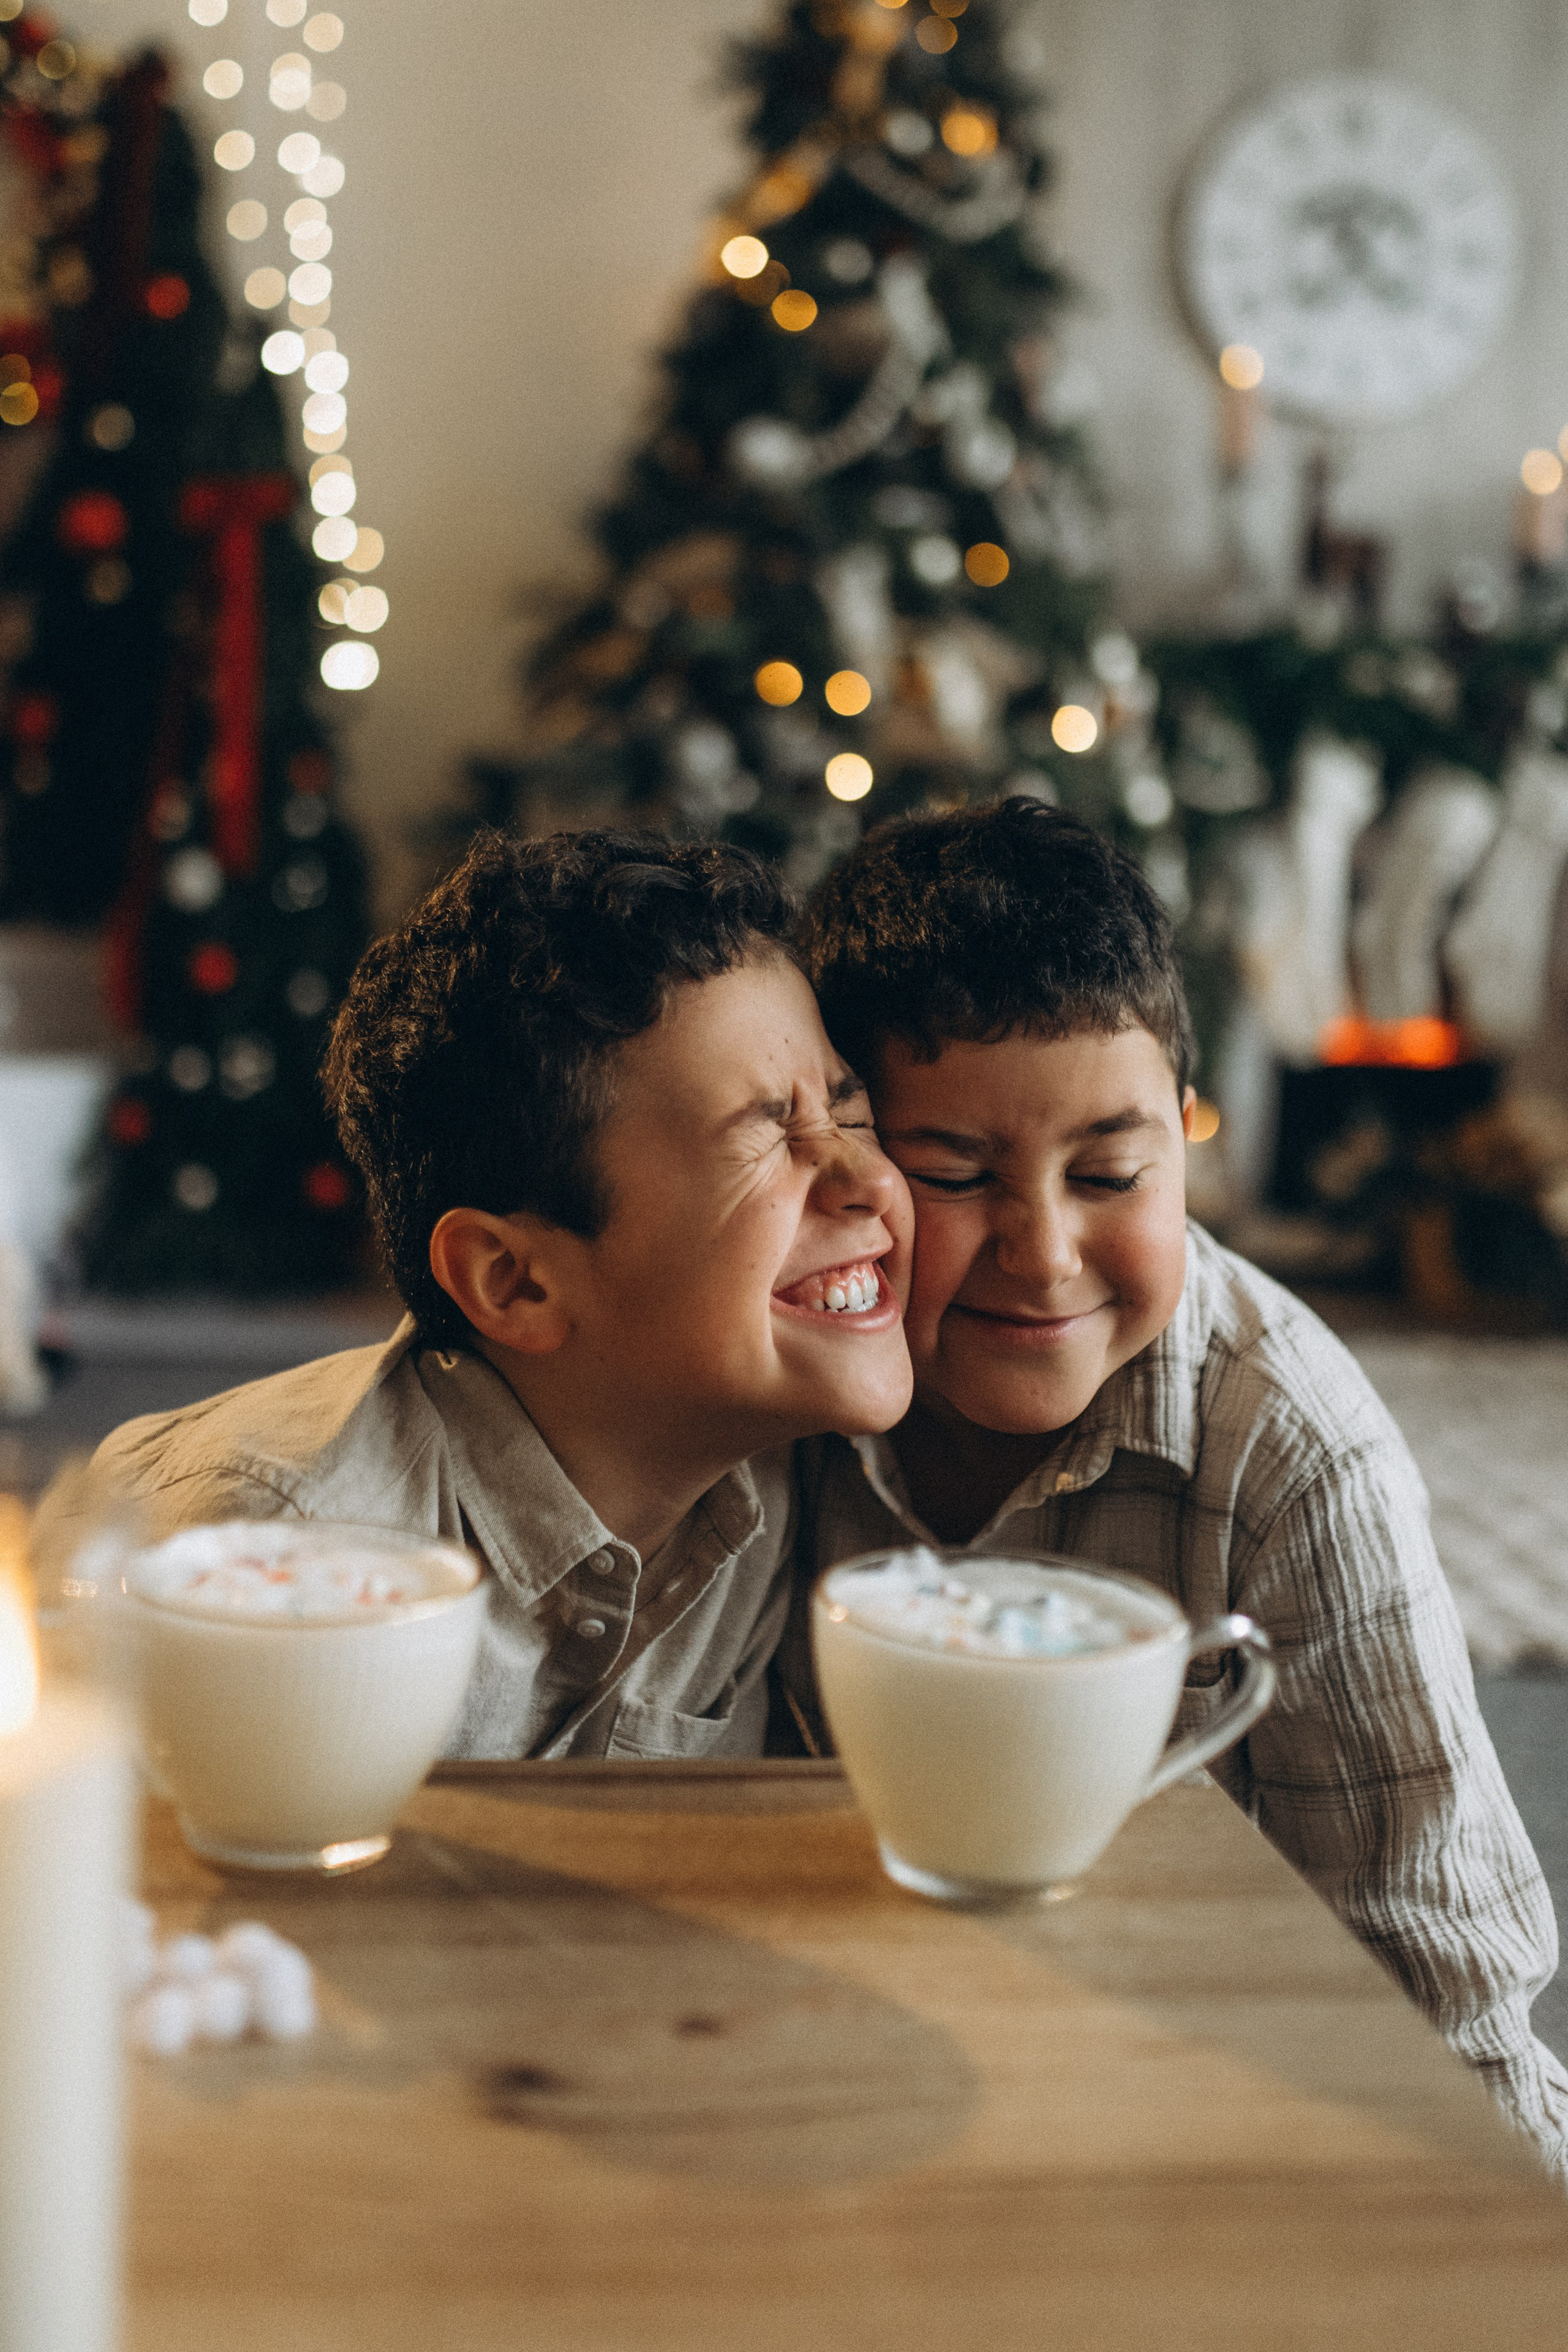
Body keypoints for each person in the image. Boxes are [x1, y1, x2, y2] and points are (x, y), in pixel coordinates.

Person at [793, 794, 1568, 2184]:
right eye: (954, 1173)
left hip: (1189, 2087)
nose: (1041, 1254)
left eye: (1109, 1173)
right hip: (833, 2041)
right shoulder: (773, 1377)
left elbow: (1441, 1977)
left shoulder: (1291, 1449)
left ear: (1188, 1149)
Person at [48, 828, 913, 1760]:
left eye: (851, 1110)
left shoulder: (773, 1491)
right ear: (517, 1281)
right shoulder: (256, 1556)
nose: (863, 1176)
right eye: (763, 1134)